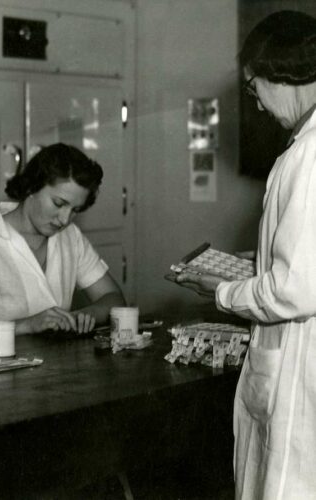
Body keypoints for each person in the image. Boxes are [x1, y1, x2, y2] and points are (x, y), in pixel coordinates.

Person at [172, 11, 316, 498]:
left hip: (298, 374)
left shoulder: (309, 155)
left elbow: (295, 290)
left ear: (282, 72)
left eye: (255, 88)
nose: (256, 105)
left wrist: (224, 290)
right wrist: (256, 268)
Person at [0, 143, 126, 346]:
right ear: (32, 187)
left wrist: (86, 314)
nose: (65, 219)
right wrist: (26, 325)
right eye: (59, 204)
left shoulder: (70, 237)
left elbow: (114, 299)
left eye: (76, 209)